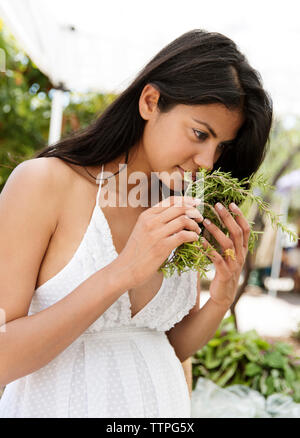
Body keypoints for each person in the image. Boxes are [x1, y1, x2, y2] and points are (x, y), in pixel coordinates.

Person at [0, 29, 272, 418]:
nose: (208, 162)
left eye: (221, 147)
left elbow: (168, 346)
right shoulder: (44, 183)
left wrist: (221, 298)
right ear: (150, 101)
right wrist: (122, 271)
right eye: (199, 133)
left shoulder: (182, 209)